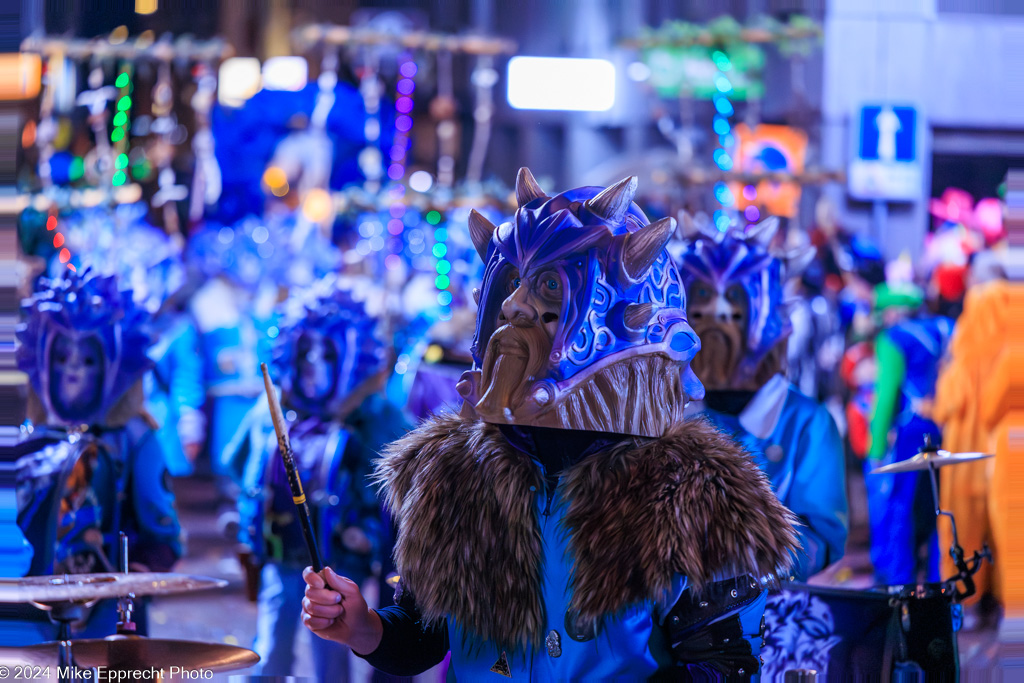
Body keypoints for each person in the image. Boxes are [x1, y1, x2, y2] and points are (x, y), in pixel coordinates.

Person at [301, 169, 799, 680]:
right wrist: (361, 625)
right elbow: (424, 634)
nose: (516, 308)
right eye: (513, 286)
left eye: (547, 292)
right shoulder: (449, 474)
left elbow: (726, 666)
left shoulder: (690, 490)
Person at [228, 277, 386, 682]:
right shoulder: (268, 415)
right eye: (306, 353)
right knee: (268, 654)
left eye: (327, 354)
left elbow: (396, 492)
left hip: (338, 566)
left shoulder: (373, 419)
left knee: (331, 658)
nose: (314, 365)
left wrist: (368, 533)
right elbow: (236, 463)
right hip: (281, 558)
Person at [12, 270, 182, 644]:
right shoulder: (27, 435)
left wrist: (140, 571)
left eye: (87, 359)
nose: (73, 370)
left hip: (106, 617)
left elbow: (163, 534)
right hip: (27, 614)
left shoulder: (136, 439)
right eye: (62, 357)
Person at [675, 218, 849, 582]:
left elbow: (822, 537)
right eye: (702, 299)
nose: (718, 314)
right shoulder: (668, 415)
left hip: (771, 620)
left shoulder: (806, 424)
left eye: (735, 302)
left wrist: (738, 569)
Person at [866, 282, 954, 585]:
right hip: (949, 426)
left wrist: (876, 448)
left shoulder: (893, 339)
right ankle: (940, 578)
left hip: (910, 431)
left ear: (892, 312)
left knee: (899, 506)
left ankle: (897, 581)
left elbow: (886, 395)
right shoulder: (947, 328)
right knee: (943, 507)